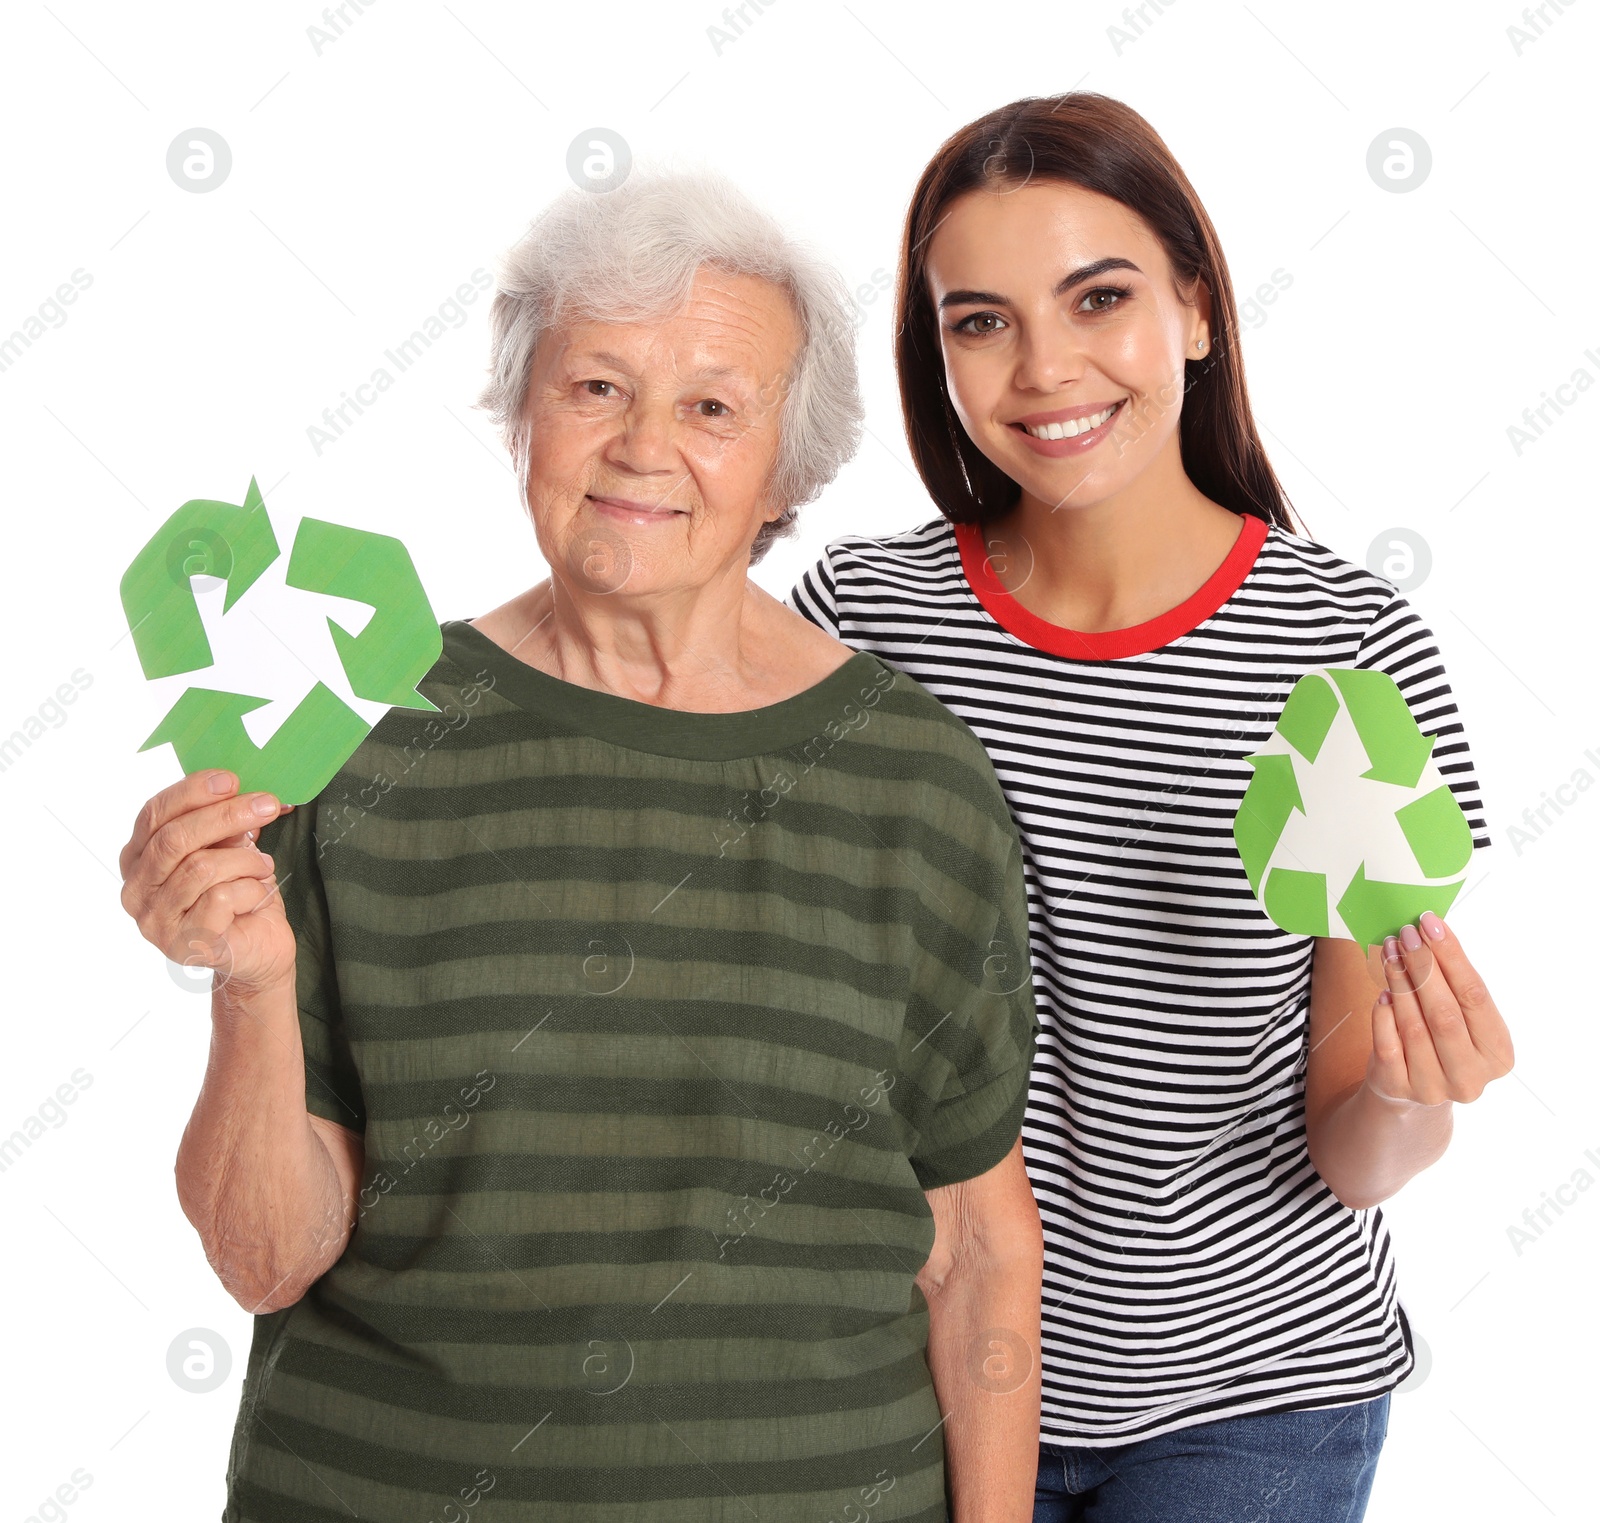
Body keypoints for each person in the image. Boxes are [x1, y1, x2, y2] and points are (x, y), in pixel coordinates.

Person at [118, 170, 1046, 1522]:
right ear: (522, 417)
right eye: (596, 388)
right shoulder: (352, 742)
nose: (641, 447)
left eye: (712, 407)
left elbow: (974, 1251)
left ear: (787, 464)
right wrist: (250, 980)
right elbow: (267, 1259)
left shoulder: (913, 780)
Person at [788, 93, 1515, 1523]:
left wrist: (1410, 1096)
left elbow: (1356, 1154)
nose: (1043, 366)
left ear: (1194, 308)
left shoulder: (1347, 650)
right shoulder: (868, 622)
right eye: (979, 321)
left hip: (1251, 1403)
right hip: (917, 1367)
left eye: (1098, 298)